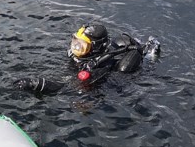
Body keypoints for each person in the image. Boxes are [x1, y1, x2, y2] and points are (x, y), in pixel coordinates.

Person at [15, 22, 160, 95]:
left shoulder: (100, 67)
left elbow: (67, 88)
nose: (76, 48)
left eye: (81, 46)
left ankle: (149, 54)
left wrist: (37, 84)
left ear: (95, 47)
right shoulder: (79, 56)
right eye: (75, 42)